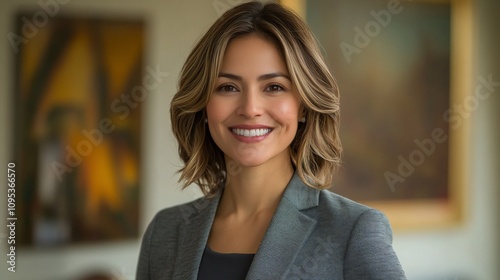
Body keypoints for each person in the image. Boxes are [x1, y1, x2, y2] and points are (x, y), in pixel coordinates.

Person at [136, 1, 406, 279]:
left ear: (304, 105)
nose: (250, 108)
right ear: (203, 104)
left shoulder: (353, 230)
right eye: (227, 87)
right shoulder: (164, 231)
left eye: (274, 87)